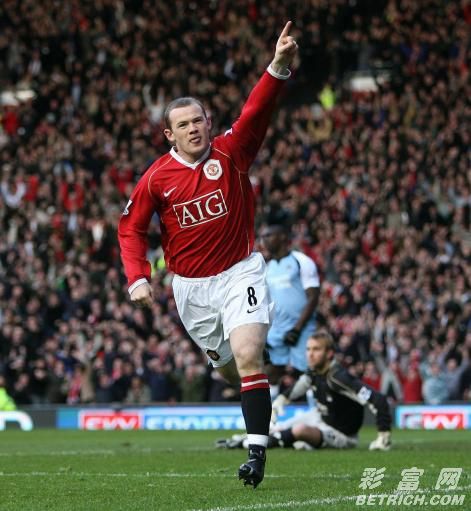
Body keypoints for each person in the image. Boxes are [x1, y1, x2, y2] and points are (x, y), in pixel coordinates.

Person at [118, 22, 299, 488]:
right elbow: (131, 228)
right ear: (169, 134)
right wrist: (138, 277)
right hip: (192, 291)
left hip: (241, 272)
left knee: (249, 355)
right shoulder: (156, 179)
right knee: (231, 371)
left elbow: (256, 111)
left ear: (209, 122)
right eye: (183, 125)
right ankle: (258, 392)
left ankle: (256, 454)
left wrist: (277, 67)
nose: (193, 129)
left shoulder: (231, 153)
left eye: (198, 120)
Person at [217, 331, 392, 451]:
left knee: (300, 430)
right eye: (308, 349)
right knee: (278, 426)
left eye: (316, 349)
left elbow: (379, 400)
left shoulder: (338, 377)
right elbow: (294, 390)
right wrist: (278, 403)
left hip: (342, 434)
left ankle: (256, 444)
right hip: (320, 418)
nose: (310, 354)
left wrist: (383, 435)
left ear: (330, 353)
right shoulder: (314, 373)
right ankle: (243, 441)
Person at [260, 224, 320, 395]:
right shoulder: (267, 268)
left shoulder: (301, 261)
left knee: (308, 373)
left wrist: (297, 329)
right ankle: (271, 412)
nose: (264, 240)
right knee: (270, 372)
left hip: (302, 328)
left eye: (269, 235)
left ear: (282, 237)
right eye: (263, 237)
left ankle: (317, 410)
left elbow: (313, 297)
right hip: (277, 330)